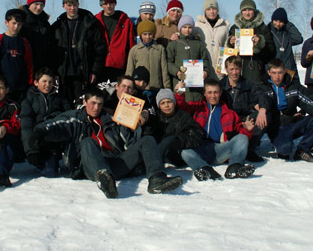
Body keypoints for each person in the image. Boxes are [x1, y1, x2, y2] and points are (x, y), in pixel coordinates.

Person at [29, 87, 184, 198]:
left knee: (148, 140)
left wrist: (135, 123)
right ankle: (104, 178)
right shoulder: (76, 118)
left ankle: (156, 178)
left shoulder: (110, 119)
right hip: (89, 165)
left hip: (115, 162)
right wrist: (40, 132)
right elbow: (59, 125)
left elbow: (128, 141)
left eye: (100, 104)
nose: (96, 108)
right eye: (93, 103)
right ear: (85, 102)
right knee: (88, 141)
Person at [176, 79, 255, 181]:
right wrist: (180, 92)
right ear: (204, 94)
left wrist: (247, 130)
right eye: (209, 92)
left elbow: (239, 137)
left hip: (219, 150)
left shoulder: (230, 113)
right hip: (199, 148)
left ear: (220, 93)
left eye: (215, 92)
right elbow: (182, 107)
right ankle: (204, 169)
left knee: (242, 138)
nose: (213, 96)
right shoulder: (197, 108)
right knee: (184, 150)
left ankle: (235, 167)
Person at [257, 59, 313, 163]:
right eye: (274, 73)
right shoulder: (263, 87)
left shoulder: (293, 86)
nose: (277, 76)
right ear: (269, 73)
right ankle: (282, 143)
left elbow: (308, 99)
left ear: (285, 71)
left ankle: (302, 150)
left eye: (280, 73)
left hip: (292, 122)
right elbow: (260, 101)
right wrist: (262, 110)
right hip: (276, 127)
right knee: (285, 151)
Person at [51, 0, 106, 107]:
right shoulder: (57, 26)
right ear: (63, 6)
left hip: (83, 74)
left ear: (78, 5)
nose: (72, 8)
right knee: (65, 105)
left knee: (82, 106)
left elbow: (99, 49)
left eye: (75, 5)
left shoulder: (89, 24)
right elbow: (52, 52)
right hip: (64, 75)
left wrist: (95, 71)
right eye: (69, 5)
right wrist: (54, 72)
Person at [20, 67, 71, 176]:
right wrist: (31, 150)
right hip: (37, 138)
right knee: (49, 172)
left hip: (54, 136)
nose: (47, 85)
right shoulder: (29, 98)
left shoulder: (59, 97)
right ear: (36, 83)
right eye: (44, 81)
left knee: (51, 171)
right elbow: (26, 125)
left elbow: (68, 115)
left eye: (50, 82)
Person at [219, 55, 265, 162]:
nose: (234, 72)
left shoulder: (248, 84)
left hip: (244, 118)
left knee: (263, 115)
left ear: (241, 69)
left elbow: (261, 95)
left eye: (237, 69)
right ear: (226, 69)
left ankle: (250, 149)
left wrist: (262, 109)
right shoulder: (220, 85)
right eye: (231, 69)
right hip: (228, 121)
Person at [142, 89, 203, 166]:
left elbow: (196, 135)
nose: (166, 105)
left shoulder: (183, 116)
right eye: (163, 103)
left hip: (176, 154)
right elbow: (148, 135)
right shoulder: (156, 118)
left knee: (169, 139)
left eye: (169, 102)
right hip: (159, 153)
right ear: (159, 105)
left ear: (174, 103)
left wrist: (179, 141)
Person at [0, 9, 34, 103]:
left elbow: (29, 64)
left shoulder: (24, 42)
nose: (16, 27)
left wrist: (30, 83)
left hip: (21, 86)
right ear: (6, 22)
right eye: (13, 23)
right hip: (3, 88)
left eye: (19, 24)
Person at [226, 0, 275, 84]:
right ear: (241, 12)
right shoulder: (235, 28)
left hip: (255, 70)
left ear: (254, 11)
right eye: (244, 10)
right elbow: (229, 53)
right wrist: (231, 43)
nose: (247, 13)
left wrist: (260, 42)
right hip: (237, 71)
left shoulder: (262, 28)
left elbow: (271, 51)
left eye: (250, 10)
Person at [167, 15, 210, 102]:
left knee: (198, 105)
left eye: (190, 27)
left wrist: (205, 71)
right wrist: (177, 72)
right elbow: (168, 62)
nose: (187, 29)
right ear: (180, 28)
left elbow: (205, 59)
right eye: (184, 27)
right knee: (182, 103)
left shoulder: (198, 44)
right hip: (181, 82)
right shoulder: (174, 44)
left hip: (197, 85)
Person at [95, 0, 135, 82]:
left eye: (111, 3)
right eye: (105, 4)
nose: (109, 6)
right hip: (101, 65)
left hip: (120, 65)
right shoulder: (96, 20)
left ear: (115, 3)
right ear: (101, 5)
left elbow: (131, 44)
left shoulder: (125, 20)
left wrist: (130, 65)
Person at [126, 19, 171, 90]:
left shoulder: (160, 49)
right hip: (139, 88)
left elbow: (164, 70)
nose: (148, 37)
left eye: (150, 34)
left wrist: (167, 87)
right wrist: (128, 87)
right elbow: (130, 70)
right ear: (140, 34)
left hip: (156, 87)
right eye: (145, 34)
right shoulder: (134, 50)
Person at [194, 0, 230, 80]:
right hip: (203, 70)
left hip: (220, 71)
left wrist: (225, 68)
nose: (211, 12)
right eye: (208, 9)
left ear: (217, 10)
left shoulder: (224, 27)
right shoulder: (197, 26)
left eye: (214, 9)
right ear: (204, 11)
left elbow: (227, 48)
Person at [19, 0, 52, 73]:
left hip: (42, 67)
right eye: (36, 4)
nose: (39, 7)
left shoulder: (45, 23)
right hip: (25, 66)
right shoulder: (21, 21)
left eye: (42, 5)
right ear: (29, 4)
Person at [268, 7, 303, 80]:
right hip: (275, 72)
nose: (278, 24)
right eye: (276, 21)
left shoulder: (287, 34)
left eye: (281, 21)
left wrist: (288, 25)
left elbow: (298, 39)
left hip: (289, 70)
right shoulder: (268, 32)